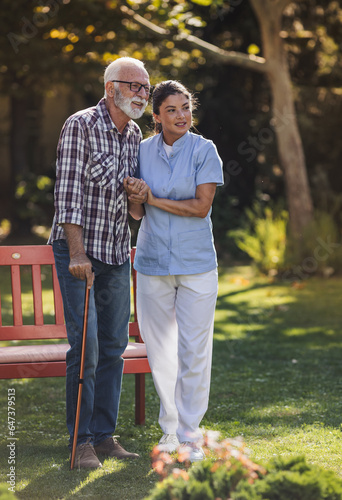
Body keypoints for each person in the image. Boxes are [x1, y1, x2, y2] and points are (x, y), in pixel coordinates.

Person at [48, 57, 150, 469]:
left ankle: (105, 436)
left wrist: (137, 193)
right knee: (86, 347)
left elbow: (133, 209)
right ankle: (82, 441)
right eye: (135, 86)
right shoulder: (80, 124)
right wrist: (76, 253)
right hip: (80, 253)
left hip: (115, 251)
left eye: (146, 87)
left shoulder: (135, 133)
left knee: (113, 347)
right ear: (111, 88)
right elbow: (67, 194)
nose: (143, 94)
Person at [124, 80, 223, 462]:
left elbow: (201, 207)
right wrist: (136, 197)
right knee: (160, 350)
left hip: (197, 265)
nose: (182, 115)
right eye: (172, 110)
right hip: (151, 263)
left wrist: (153, 198)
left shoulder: (204, 150)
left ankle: (191, 435)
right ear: (157, 116)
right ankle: (170, 429)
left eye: (186, 107)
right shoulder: (141, 150)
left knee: (194, 350)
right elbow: (137, 213)